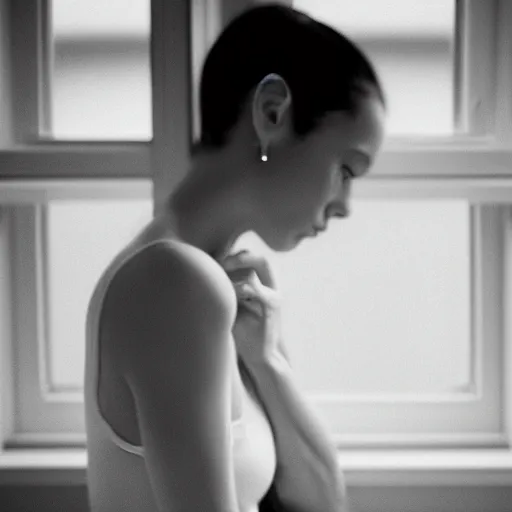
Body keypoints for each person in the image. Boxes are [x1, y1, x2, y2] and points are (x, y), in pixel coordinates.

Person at [84, 4, 386, 512]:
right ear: (272, 112)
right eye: (346, 170)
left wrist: (266, 360)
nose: (344, 207)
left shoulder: (216, 284)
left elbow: (324, 502)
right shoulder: (173, 282)